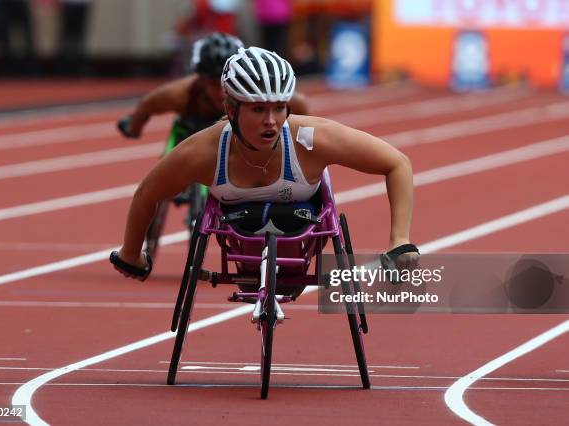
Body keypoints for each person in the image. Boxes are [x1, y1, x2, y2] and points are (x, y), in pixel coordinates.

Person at [111, 46, 418, 280]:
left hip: (303, 235)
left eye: (279, 108)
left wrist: (399, 240)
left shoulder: (311, 138)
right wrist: (131, 254)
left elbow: (397, 163)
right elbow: (147, 193)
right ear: (230, 107)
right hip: (237, 239)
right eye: (258, 109)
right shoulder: (203, 151)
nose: (271, 122)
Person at [117, 33, 309, 257]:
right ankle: (145, 239)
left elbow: (301, 116)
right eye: (210, 82)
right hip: (190, 130)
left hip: (239, 138)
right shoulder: (178, 95)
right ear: (198, 79)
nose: (219, 92)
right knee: (158, 180)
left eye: (222, 82)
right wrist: (134, 128)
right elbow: (146, 106)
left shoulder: (267, 95)